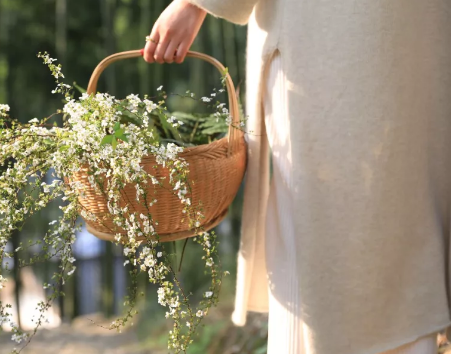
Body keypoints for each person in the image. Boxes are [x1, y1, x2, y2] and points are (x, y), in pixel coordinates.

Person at [143, 1, 451, 353]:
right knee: (407, 212)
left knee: (323, 231)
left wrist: (193, 4)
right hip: (420, 34)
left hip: (328, 37)